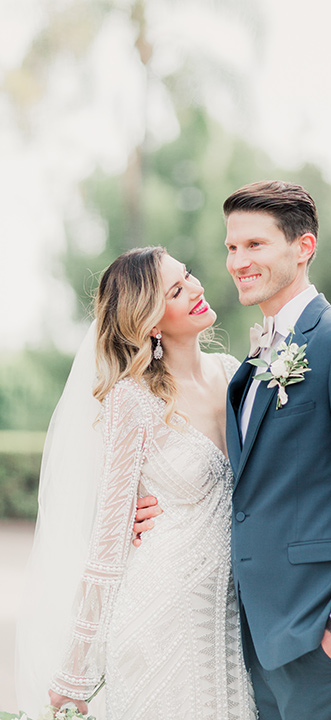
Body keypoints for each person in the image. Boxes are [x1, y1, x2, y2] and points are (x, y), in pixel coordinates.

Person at [136, 181, 331, 720]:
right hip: (261, 643)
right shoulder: (247, 368)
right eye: (231, 247)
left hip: (326, 639)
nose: (238, 261)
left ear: (303, 247)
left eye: (255, 245)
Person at [16, 246, 257, 720]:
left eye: (187, 275)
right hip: (159, 617)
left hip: (228, 616)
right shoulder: (133, 399)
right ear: (150, 322)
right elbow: (107, 545)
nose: (196, 289)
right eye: (175, 290)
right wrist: (75, 671)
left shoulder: (233, 373)